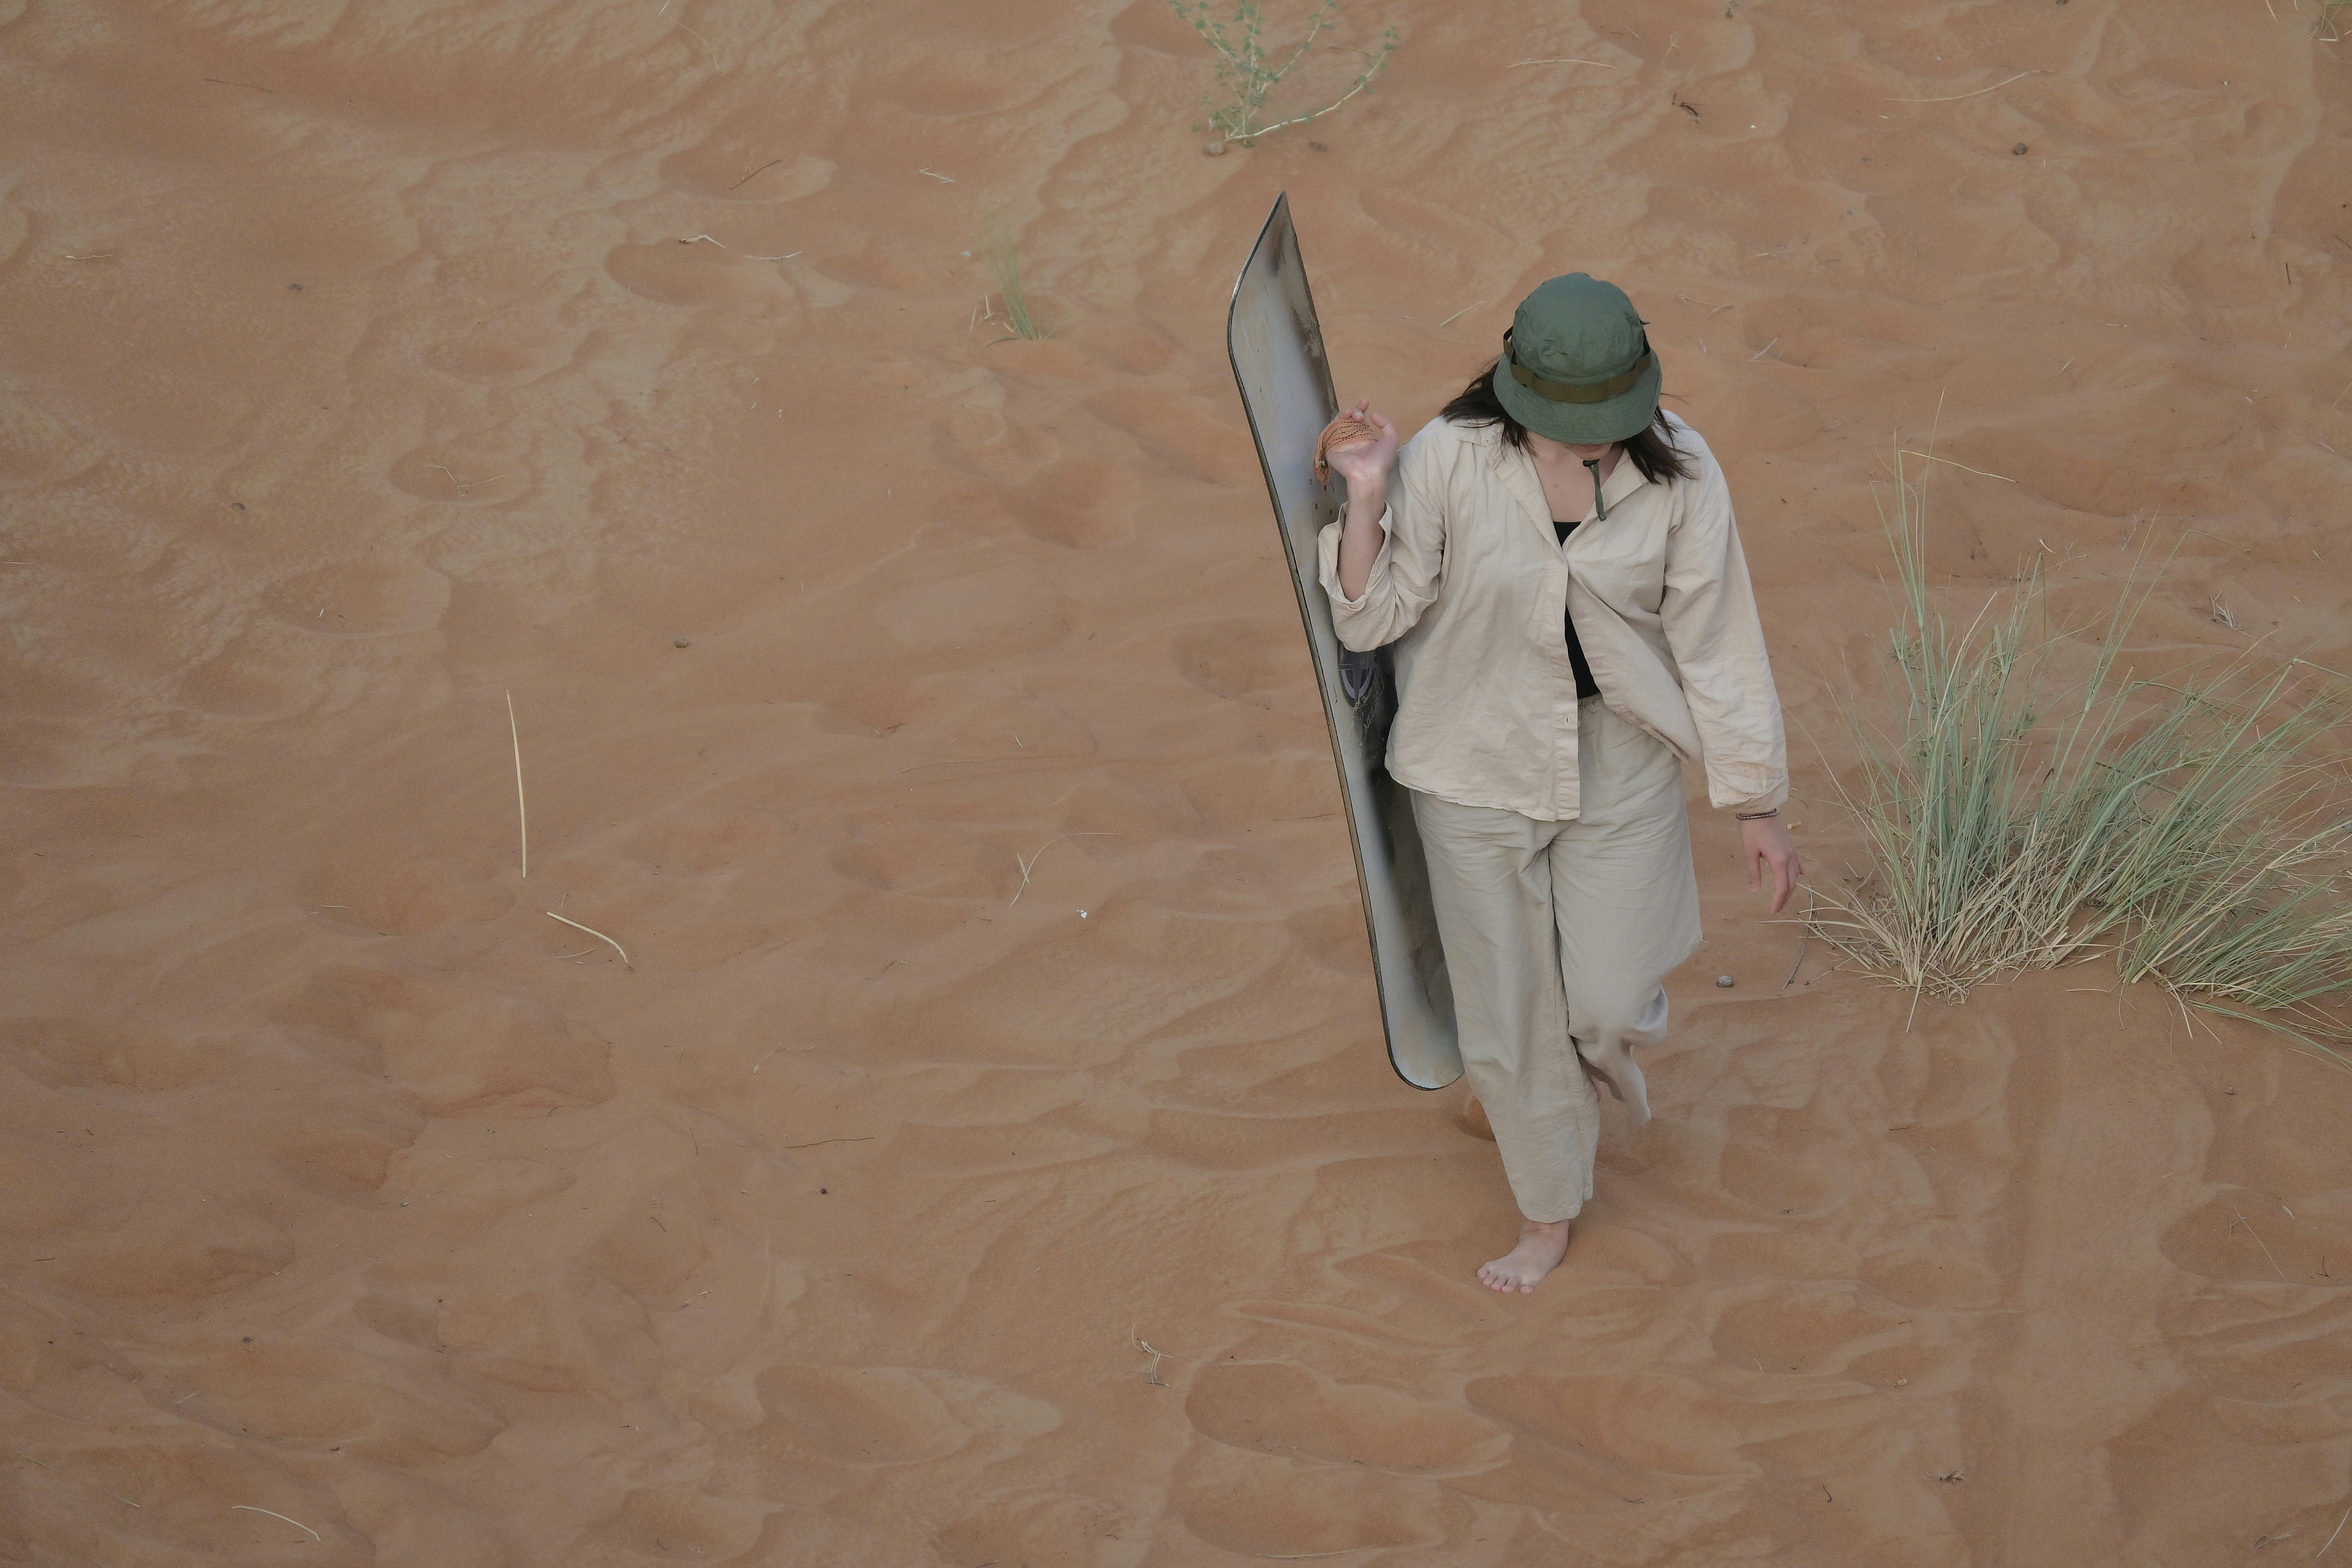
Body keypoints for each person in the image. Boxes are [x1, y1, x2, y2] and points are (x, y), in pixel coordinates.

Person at [1317, 273, 1802, 1294]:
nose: (1597, 442)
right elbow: (1371, 618)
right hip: (1470, 759)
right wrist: (1367, 494)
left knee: (1613, 997)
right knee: (1510, 1006)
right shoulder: (1452, 457)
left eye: (1613, 420)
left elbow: (1719, 641)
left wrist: (1757, 804)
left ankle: (1527, 1098)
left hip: (1619, 755)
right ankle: (1545, 1206)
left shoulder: (1682, 468)